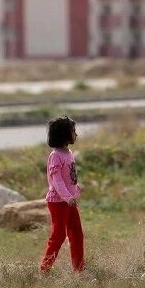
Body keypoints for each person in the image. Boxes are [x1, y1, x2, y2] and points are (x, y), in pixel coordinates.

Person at [39, 115, 85, 273]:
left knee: (77, 234)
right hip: (58, 202)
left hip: (69, 201)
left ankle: (79, 270)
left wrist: (76, 188)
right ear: (64, 134)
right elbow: (57, 180)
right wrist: (68, 197)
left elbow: (69, 177)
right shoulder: (55, 155)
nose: (76, 134)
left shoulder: (68, 152)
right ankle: (44, 269)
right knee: (58, 236)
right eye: (73, 131)